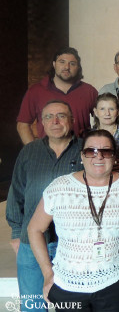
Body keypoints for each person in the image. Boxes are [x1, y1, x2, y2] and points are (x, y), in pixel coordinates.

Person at [27, 129, 119, 311]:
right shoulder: (60, 188)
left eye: (106, 151)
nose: (98, 157)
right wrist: (47, 273)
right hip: (68, 285)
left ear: (114, 156)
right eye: (90, 151)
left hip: (116, 283)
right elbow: (35, 229)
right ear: (82, 156)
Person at [6, 100, 83, 312]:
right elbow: (16, 193)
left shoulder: (85, 151)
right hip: (30, 244)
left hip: (72, 245)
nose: (55, 121)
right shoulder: (29, 152)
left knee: (72, 307)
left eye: (61, 116)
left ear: (72, 120)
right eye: (49, 117)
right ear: (41, 123)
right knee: (32, 307)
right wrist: (15, 234)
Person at [16, 47, 97, 144]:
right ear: (54, 64)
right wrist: (35, 151)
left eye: (72, 63)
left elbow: (103, 120)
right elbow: (23, 125)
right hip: (48, 154)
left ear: (78, 67)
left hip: (82, 151)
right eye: (62, 62)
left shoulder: (89, 91)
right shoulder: (36, 91)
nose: (67, 67)